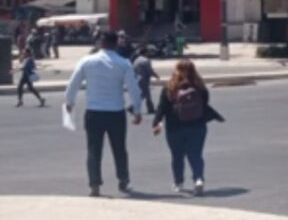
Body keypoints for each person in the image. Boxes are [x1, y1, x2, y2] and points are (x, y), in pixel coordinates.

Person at [65, 31, 143, 197]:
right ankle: (123, 180)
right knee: (119, 149)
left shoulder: (87, 61)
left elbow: (73, 83)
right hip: (116, 112)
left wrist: (69, 103)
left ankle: (95, 185)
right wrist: (137, 110)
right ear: (116, 43)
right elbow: (133, 89)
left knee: (94, 149)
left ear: (100, 43)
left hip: (94, 112)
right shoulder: (123, 63)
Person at [153, 60, 224, 196]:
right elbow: (205, 104)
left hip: (174, 127)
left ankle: (178, 182)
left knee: (177, 156)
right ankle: (198, 179)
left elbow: (162, 108)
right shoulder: (199, 87)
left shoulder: (169, 87)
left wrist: (157, 123)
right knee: (196, 154)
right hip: (197, 125)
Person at [133, 49, 161, 114]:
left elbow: (133, 70)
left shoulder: (136, 60)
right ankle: (149, 109)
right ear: (145, 53)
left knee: (144, 94)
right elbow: (149, 70)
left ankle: (134, 107)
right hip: (144, 79)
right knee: (146, 94)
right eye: (148, 52)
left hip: (137, 78)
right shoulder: (146, 60)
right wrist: (156, 75)